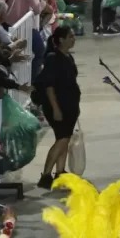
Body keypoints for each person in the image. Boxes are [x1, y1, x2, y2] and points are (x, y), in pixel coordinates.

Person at [35, 27, 80, 190]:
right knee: (62, 139)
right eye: (71, 36)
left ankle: (60, 172)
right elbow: (49, 86)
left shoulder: (68, 57)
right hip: (58, 106)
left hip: (69, 105)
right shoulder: (53, 59)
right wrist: (55, 108)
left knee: (64, 139)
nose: (73, 39)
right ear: (61, 39)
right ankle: (46, 175)